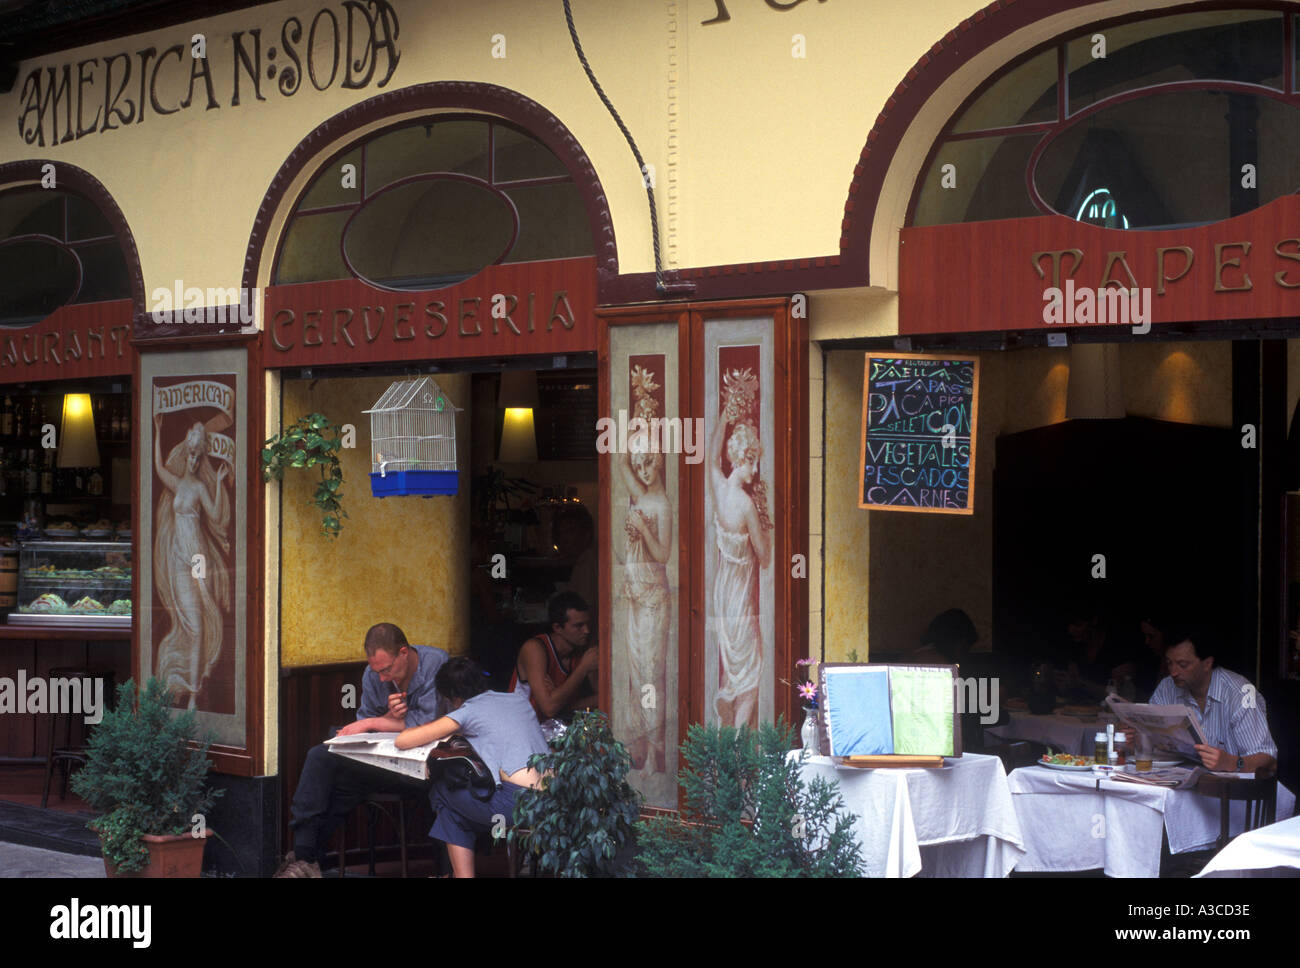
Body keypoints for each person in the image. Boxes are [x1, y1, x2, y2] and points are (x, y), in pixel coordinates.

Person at [274, 623, 448, 878]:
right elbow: (371, 730)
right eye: (377, 671)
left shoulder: (436, 663)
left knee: (343, 788)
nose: (382, 678)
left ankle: (306, 860)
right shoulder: (373, 673)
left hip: (427, 766)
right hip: (385, 761)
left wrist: (372, 722)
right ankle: (305, 858)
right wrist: (386, 717)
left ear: (403, 652)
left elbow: (428, 724)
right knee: (321, 760)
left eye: (387, 669)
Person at [395, 657, 547, 878]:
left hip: (518, 803)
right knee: (455, 812)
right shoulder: (518, 700)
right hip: (555, 799)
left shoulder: (466, 712)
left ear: (452, 698)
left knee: (441, 789)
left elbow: (403, 740)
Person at [707, 371, 773, 729]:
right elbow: (765, 556)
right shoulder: (747, 506)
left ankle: (728, 705)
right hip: (740, 597)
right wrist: (767, 524)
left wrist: (725, 415)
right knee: (753, 666)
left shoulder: (719, 488)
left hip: (723, 593)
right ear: (741, 459)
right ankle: (735, 744)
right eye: (753, 461)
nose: (756, 469)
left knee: (738, 664)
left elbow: (710, 455)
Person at [153, 415, 231, 710]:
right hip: (177, 558)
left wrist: (221, 484)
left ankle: (195, 692)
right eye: (192, 454)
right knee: (185, 624)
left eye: (199, 457)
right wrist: (158, 431)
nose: (194, 460)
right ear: (187, 453)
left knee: (199, 625)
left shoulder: (199, 488)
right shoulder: (176, 483)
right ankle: (180, 684)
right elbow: (159, 467)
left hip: (197, 557)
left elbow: (213, 515)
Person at [1148, 625, 1277, 774]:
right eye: (1169, 663)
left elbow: (1269, 760)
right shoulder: (1166, 688)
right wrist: (1137, 738)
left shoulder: (1239, 692)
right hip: (1186, 784)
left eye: (1183, 665)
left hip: (1232, 791)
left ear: (1207, 663)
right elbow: (1154, 739)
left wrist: (1231, 762)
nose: (1174, 672)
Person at [619, 444, 672, 774]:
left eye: (648, 465)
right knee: (637, 674)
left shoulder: (662, 506)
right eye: (640, 468)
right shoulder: (641, 497)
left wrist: (642, 531)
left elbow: (664, 555)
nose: (643, 472)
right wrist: (634, 433)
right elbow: (622, 465)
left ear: (659, 464)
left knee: (652, 675)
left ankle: (656, 750)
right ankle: (640, 747)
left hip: (653, 598)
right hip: (636, 597)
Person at [509, 591, 597, 720]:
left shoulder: (582, 650)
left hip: (556, 730)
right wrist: (583, 669)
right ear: (557, 628)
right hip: (522, 729)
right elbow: (549, 708)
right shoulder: (535, 648)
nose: (586, 631)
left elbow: (604, 697)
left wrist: (562, 702)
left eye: (587, 624)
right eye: (579, 626)